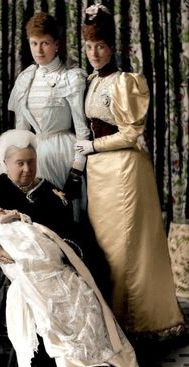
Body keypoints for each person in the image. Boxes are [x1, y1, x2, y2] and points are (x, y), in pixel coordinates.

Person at [0, 130, 138, 367]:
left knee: (74, 285)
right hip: (3, 259)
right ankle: (36, 360)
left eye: (31, 162)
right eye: (20, 163)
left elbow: (65, 230)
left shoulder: (49, 190)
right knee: (13, 289)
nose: (27, 169)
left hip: (47, 259)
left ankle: (77, 352)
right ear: (6, 164)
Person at [74, 4, 186, 345]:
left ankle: (135, 321)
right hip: (99, 174)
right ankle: (110, 318)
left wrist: (93, 148)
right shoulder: (91, 80)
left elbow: (130, 133)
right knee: (105, 247)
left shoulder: (126, 82)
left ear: (113, 47)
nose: (94, 53)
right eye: (89, 46)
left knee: (126, 248)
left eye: (101, 46)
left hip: (124, 171)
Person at [0, 200, 138, 367]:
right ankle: (70, 353)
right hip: (24, 261)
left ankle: (94, 345)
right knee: (47, 301)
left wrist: (19, 218)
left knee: (75, 291)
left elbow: (33, 226)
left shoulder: (29, 204)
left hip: (45, 257)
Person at [8, 11, 91, 221]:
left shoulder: (71, 78)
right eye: (34, 43)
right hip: (33, 157)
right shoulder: (25, 78)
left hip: (63, 154)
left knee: (63, 218)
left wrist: (77, 170)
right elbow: (21, 132)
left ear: (56, 44)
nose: (39, 50)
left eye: (44, 43)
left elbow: (82, 130)